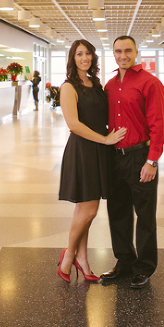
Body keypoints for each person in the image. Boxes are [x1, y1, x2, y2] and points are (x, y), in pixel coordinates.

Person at [101, 35, 164, 289]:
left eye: (127, 51)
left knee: (145, 214)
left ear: (136, 52)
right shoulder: (109, 85)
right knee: (117, 213)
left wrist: (152, 161)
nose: (123, 56)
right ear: (113, 53)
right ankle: (125, 261)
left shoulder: (150, 83)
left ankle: (144, 266)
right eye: (118, 51)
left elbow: (159, 124)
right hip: (115, 158)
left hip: (141, 157)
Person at [58, 40, 127, 283]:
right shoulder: (68, 87)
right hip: (84, 149)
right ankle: (68, 255)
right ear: (72, 58)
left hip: (98, 149)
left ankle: (83, 259)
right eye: (79, 54)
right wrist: (105, 140)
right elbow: (74, 124)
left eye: (88, 53)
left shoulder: (95, 84)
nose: (84, 57)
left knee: (84, 210)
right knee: (89, 210)